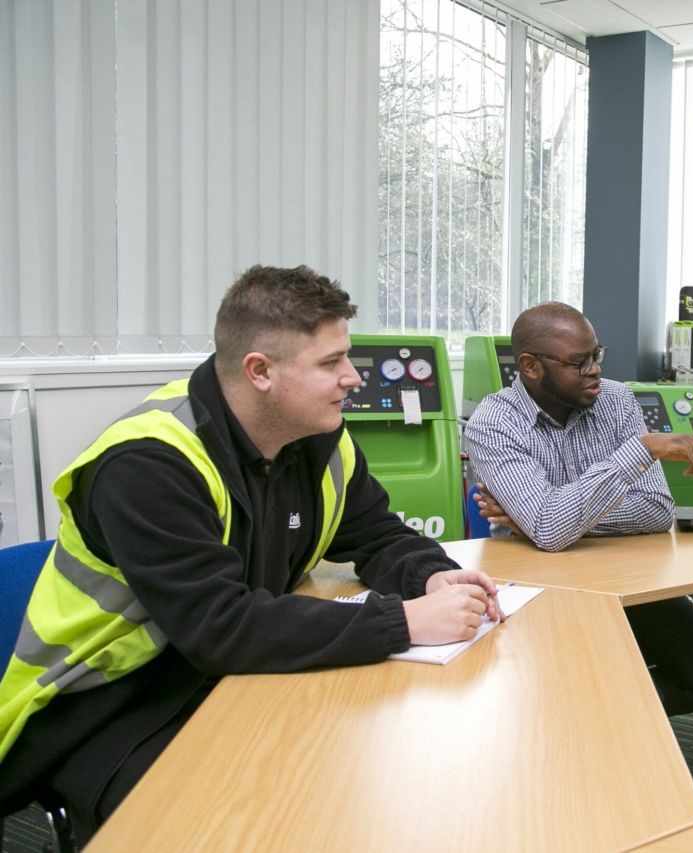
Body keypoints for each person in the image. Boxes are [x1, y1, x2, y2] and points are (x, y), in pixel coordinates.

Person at [0, 265, 503, 842]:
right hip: (108, 704)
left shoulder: (317, 436)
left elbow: (379, 534)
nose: (352, 379)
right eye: (330, 363)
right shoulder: (147, 462)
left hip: (232, 677)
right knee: (239, 823)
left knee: (379, 775)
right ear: (259, 371)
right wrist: (404, 620)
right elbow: (219, 625)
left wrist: (434, 576)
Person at [463, 302, 693, 716]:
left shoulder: (616, 401)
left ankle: (585, 708)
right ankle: (575, 709)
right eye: (578, 362)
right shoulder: (494, 424)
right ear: (530, 366)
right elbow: (550, 528)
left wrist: (552, 518)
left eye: (596, 355)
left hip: (624, 580)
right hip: (537, 595)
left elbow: (655, 511)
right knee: (529, 689)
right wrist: (639, 452)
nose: (594, 369)